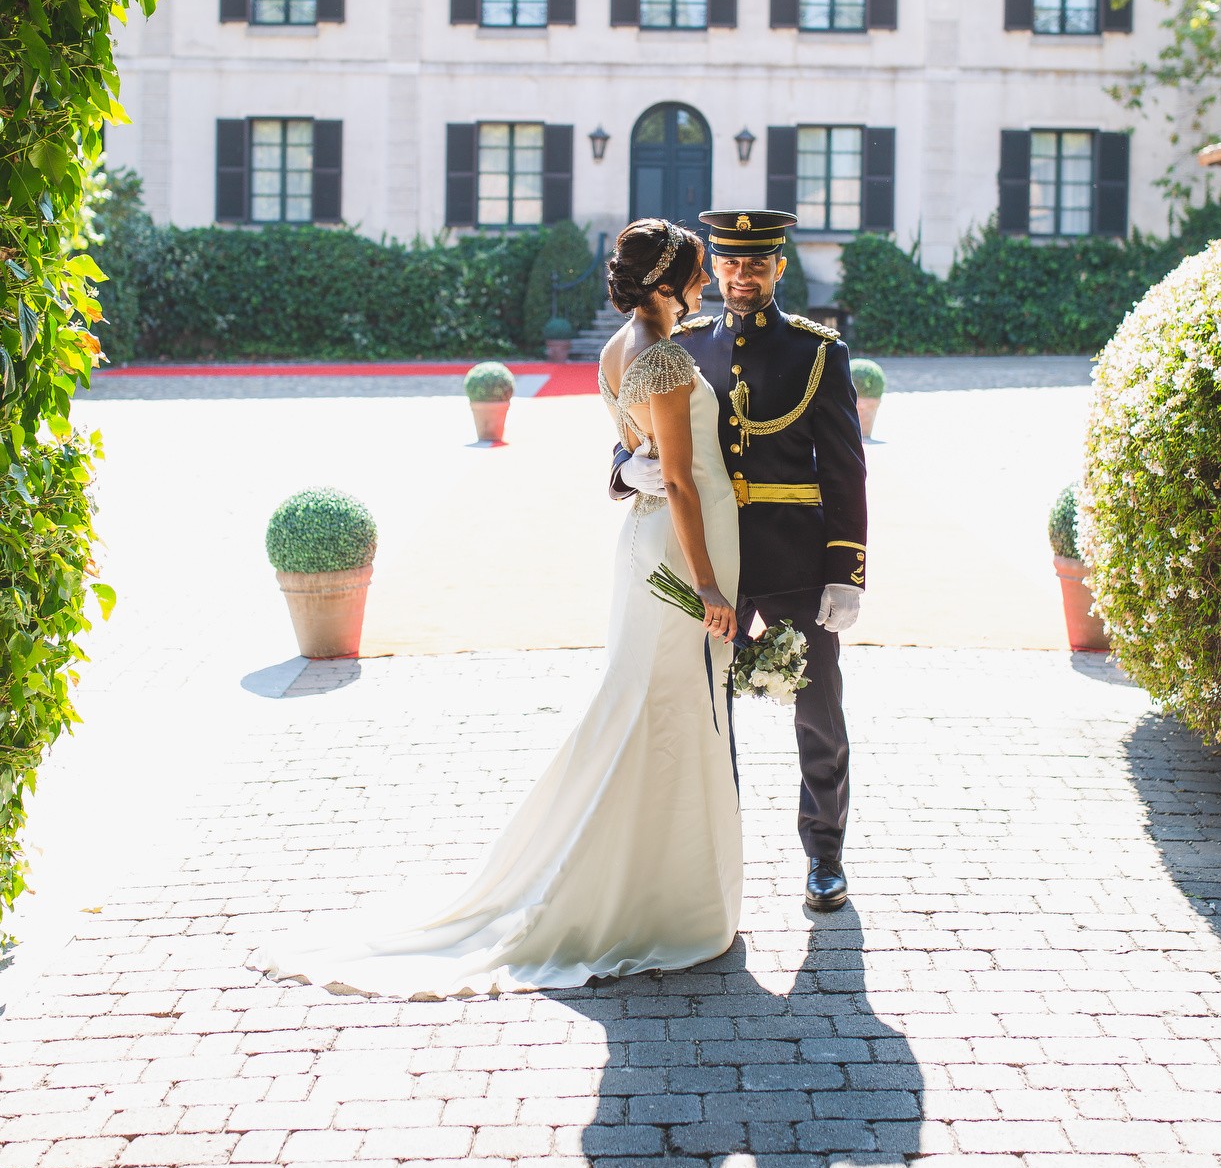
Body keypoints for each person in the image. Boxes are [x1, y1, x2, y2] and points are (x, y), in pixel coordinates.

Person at [256, 220, 742, 998]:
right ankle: (644, 896)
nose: (706, 282)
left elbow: (640, 454)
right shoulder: (666, 359)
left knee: (647, 706)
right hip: (682, 554)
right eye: (695, 271)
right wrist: (710, 584)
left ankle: (649, 879)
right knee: (663, 708)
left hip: (645, 542)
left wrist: (637, 479)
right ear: (664, 282)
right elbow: (680, 479)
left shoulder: (618, 350)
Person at [617, 209, 867, 914]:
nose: (741, 276)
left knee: (818, 714)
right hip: (710, 562)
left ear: (778, 267)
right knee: (705, 715)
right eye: (729, 263)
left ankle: (824, 854)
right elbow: (640, 429)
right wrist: (623, 472)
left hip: (794, 557)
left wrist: (845, 572)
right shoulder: (684, 344)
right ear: (716, 267)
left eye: (756, 263)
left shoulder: (817, 352)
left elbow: (845, 469)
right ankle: (715, 857)